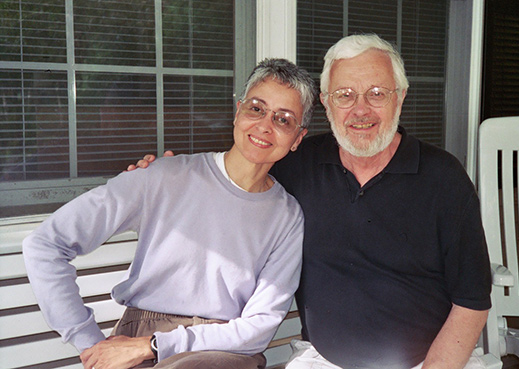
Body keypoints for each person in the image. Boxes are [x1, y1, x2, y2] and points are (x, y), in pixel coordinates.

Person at [130, 34, 492, 369]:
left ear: (400, 97)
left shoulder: (443, 177)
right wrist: (163, 177)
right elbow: (231, 175)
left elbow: (472, 301)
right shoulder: (297, 164)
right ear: (326, 102)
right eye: (345, 95)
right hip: (322, 360)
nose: (360, 110)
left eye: (377, 93)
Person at [23, 58, 317, 369]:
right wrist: (89, 343)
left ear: (298, 138)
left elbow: (257, 328)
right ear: (238, 111)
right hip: (135, 340)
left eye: (283, 119)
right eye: (256, 108)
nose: (264, 125)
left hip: (224, 352)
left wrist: (154, 346)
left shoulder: (287, 216)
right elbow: (45, 244)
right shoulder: (162, 176)